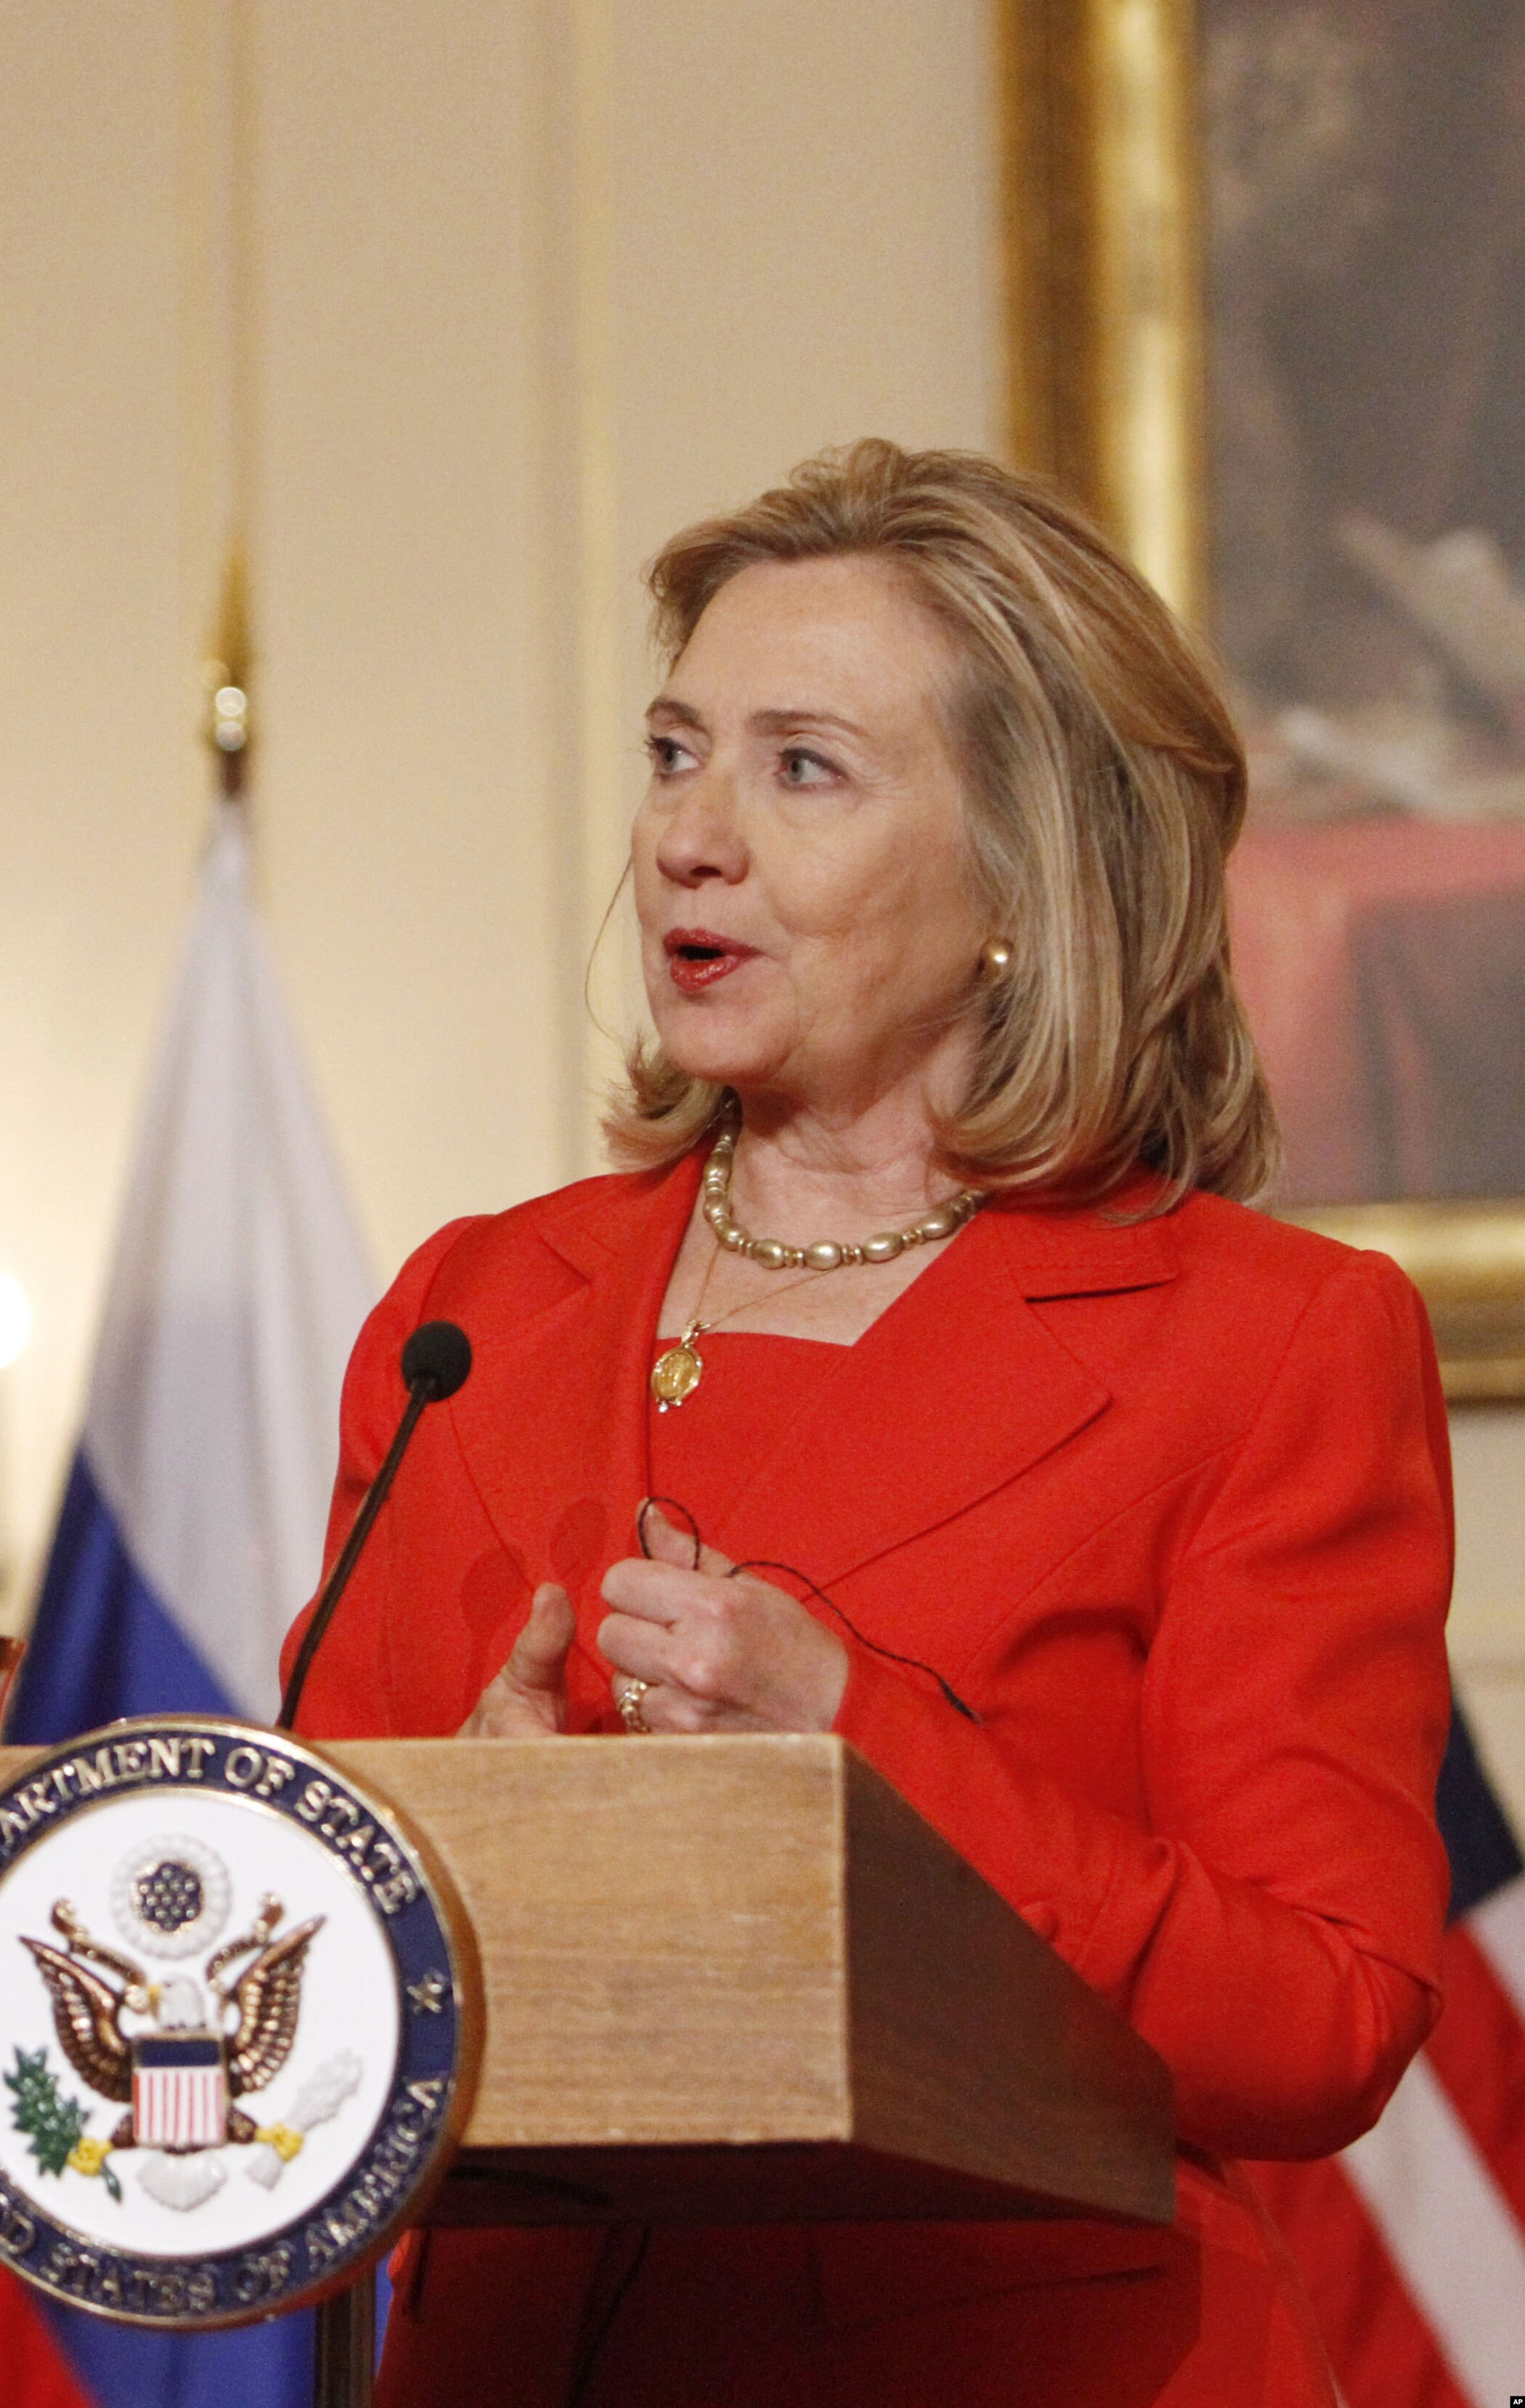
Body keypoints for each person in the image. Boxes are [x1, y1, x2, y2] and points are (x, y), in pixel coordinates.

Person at [282, 441, 1453, 2407]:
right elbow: (291, 1957)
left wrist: (865, 1751)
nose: (690, 837)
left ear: (1023, 871)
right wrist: (435, 1855)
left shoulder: (1267, 1342)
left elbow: (1326, 2018)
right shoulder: (473, 1312)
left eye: (802, 768)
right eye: (675, 754)